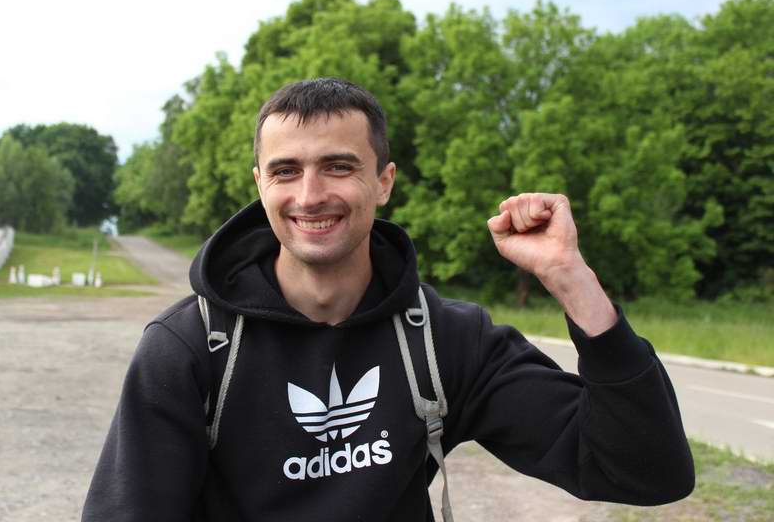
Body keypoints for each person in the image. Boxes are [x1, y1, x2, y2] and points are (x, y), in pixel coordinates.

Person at [82, 78, 694, 521]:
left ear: (384, 181)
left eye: (338, 167)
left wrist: (571, 279)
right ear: (260, 184)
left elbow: (645, 471)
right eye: (286, 171)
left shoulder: (445, 340)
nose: (310, 195)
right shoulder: (191, 348)